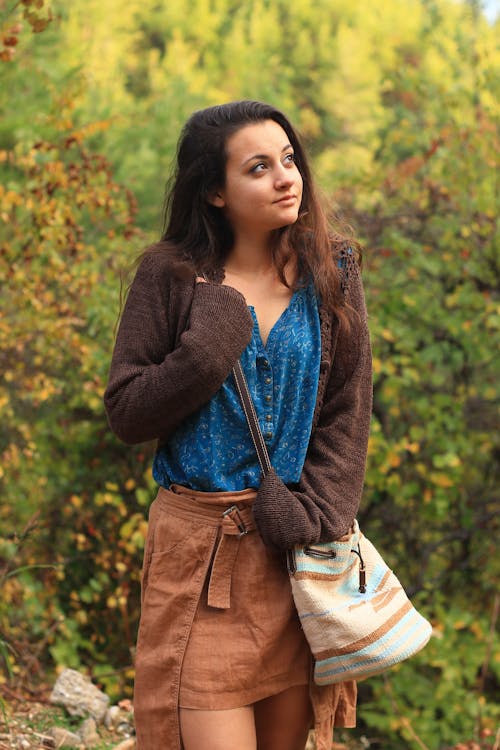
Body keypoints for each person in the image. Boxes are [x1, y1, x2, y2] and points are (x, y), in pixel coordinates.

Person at [104, 100, 372, 750]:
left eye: (288, 160)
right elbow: (128, 410)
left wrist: (315, 513)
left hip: (293, 557)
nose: (286, 178)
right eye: (259, 167)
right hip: (199, 560)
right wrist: (202, 356)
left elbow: (347, 410)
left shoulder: (331, 270)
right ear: (216, 192)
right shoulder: (170, 277)